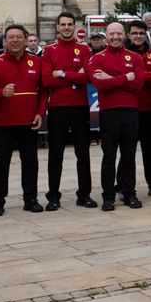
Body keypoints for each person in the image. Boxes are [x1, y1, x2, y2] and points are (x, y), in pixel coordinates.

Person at [0, 25, 46, 215]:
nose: (15, 40)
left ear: (26, 40)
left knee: (30, 161)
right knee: (1, 161)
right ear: (5, 41)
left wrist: (40, 113)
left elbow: (43, 91)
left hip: (28, 121)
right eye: (11, 37)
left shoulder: (36, 62)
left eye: (19, 37)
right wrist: (1, 92)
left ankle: (30, 199)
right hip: (4, 123)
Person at [41, 12, 97, 210]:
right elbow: (47, 80)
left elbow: (89, 77)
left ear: (74, 26)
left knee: (83, 154)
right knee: (55, 154)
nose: (66, 27)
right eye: (63, 24)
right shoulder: (48, 51)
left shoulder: (84, 50)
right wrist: (75, 75)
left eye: (69, 24)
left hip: (80, 108)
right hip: (57, 108)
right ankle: (53, 196)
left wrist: (63, 73)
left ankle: (84, 194)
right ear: (57, 27)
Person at [91, 21, 145, 210]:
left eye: (119, 34)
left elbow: (138, 84)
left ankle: (129, 193)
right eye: (112, 34)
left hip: (130, 111)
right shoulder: (97, 58)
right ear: (106, 36)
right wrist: (125, 77)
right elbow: (100, 84)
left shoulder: (135, 58)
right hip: (109, 113)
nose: (115, 37)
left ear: (125, 36)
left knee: (129, 155)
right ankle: (108, 196)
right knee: (109, 156)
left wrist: (111, 78)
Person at [127, 20, 151, 198]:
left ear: (146, 35)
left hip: (149, 108)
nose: (137, 36)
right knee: (127, 149)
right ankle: (124, 186)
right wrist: (146, 76)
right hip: (128, 108)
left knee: (149, 148)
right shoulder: (124, 55)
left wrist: (139, 76)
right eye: (134, 33)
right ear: (129, 35)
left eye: (141, 33)